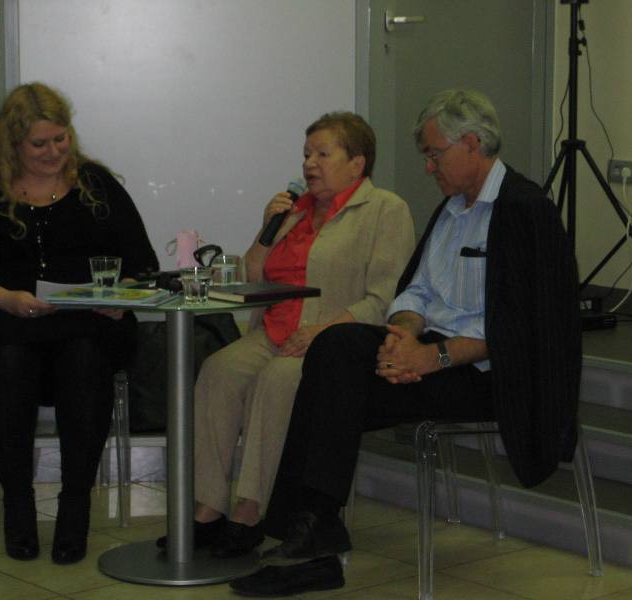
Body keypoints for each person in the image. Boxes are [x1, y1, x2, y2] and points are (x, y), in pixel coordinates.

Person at [231, 89, 581, 596]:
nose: (428, 166)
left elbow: (525, 327)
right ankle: (313, 532)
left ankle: (310, 537)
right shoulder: (451, 210)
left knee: (335, 385)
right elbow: (415, 290)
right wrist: (404, 335)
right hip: (430, 354)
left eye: (435, 154)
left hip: (487, 374)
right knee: (335, 351)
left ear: (472, 143)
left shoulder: (525, 210)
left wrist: (433, 356)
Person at [157, 112, 415, 558]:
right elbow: (253, 277)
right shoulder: (294, 212)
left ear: (357, 163)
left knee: (276, 382)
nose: (309, 164)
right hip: (276, 331)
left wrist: (323, 331)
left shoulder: (385, 210)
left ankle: (249, 514)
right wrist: (268, 229)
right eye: (306, 154)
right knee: (218, 371)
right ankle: (208, 511)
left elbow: (384, 298)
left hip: (333, 340)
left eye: (322, 154)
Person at [0, 82, 158, 564]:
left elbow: (142, 264)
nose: (53, 152)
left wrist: (119, 299)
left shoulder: (97, 186)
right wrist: (7, 299)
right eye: (39, 144)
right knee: (10, 361)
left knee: (85, 356)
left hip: (89, 324)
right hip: (4, 324)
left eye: (61, 139)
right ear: (13, 143)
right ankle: (18, 503)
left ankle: (75, 505)